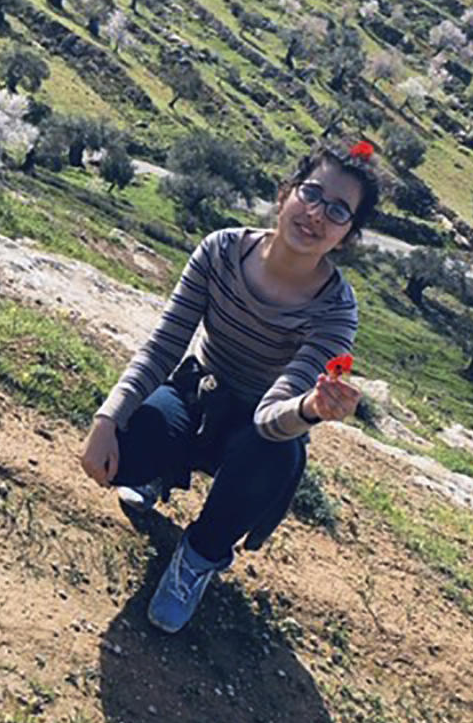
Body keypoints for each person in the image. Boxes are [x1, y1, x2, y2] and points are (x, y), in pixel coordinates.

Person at [79, 140, 379, 633]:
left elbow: (269, 416)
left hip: (264, 427)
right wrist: (108, 417)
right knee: (127, 451)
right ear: (285, 194)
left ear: (346, 236)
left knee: (275, 456)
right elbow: (164, 346)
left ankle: (199, 556)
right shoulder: (220, 250)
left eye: (339, 210)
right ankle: (158, 469)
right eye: (311, 193)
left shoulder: (335, 310)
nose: (317, 214)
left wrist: (309, 408)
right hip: (200, 390)